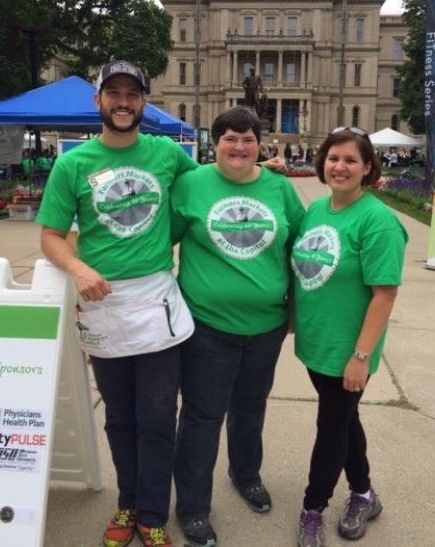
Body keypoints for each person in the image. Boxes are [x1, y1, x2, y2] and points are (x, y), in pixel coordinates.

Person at [36, 60, 197, 547]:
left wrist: (258, 170)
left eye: (132, 93)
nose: (123, 101)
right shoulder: (73, 165)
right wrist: (79, 267)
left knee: (156, 417)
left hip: (155, 306)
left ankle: (152, 514)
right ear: (98, 101)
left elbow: (210, 189)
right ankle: (127, 505)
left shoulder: (167, 154)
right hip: (103, 308)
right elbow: (50, 237)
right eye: (114, 92)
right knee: (120, 418)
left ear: (144, 102)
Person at [170, 107, 305, 547]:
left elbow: (301, 248)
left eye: (247, 139)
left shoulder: (279, 188)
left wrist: (297, 310)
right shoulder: (191, 185)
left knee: (250, 408)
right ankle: (192, 506)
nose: (239, 147)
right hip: (208, 327)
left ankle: (245, 475)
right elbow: (156, 239)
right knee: (202, 417)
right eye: (230, 138)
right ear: (216, 143)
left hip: (266, 327)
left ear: (260, 145)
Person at [290, 127, 408, 547]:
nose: (340, 166)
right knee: (345, 421)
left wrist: (360, 356)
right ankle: (364, 493)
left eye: (350, 160)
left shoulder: (377, 221)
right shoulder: (318, 210)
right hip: (316, 345)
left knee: (331, 428)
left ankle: (312, 508)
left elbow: (385, 293)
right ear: (322, 162)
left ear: (368, 168)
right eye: (333, 158)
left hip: (349, 350)